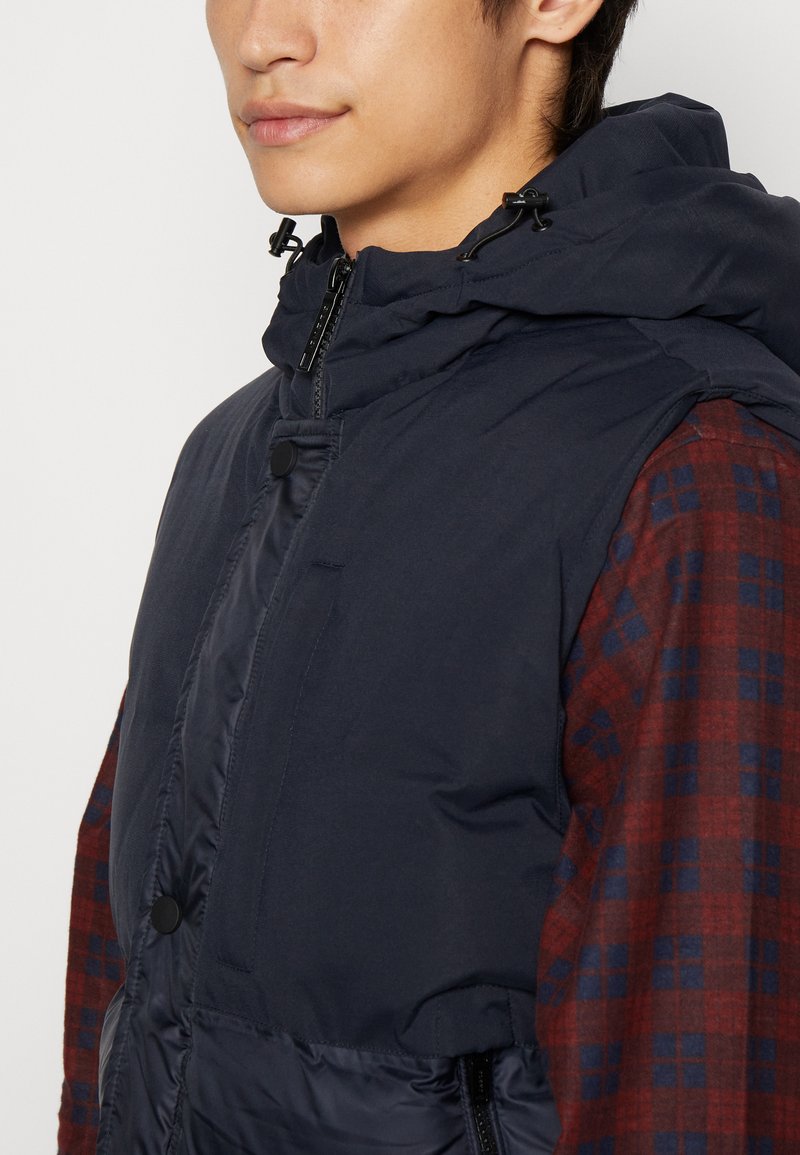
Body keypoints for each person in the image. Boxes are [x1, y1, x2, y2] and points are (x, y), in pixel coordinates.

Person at [58, 0, 800, 1151]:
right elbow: (119, 1005)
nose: (263, 37)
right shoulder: (233, 451)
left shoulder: (688, 465)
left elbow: (702, 1087)